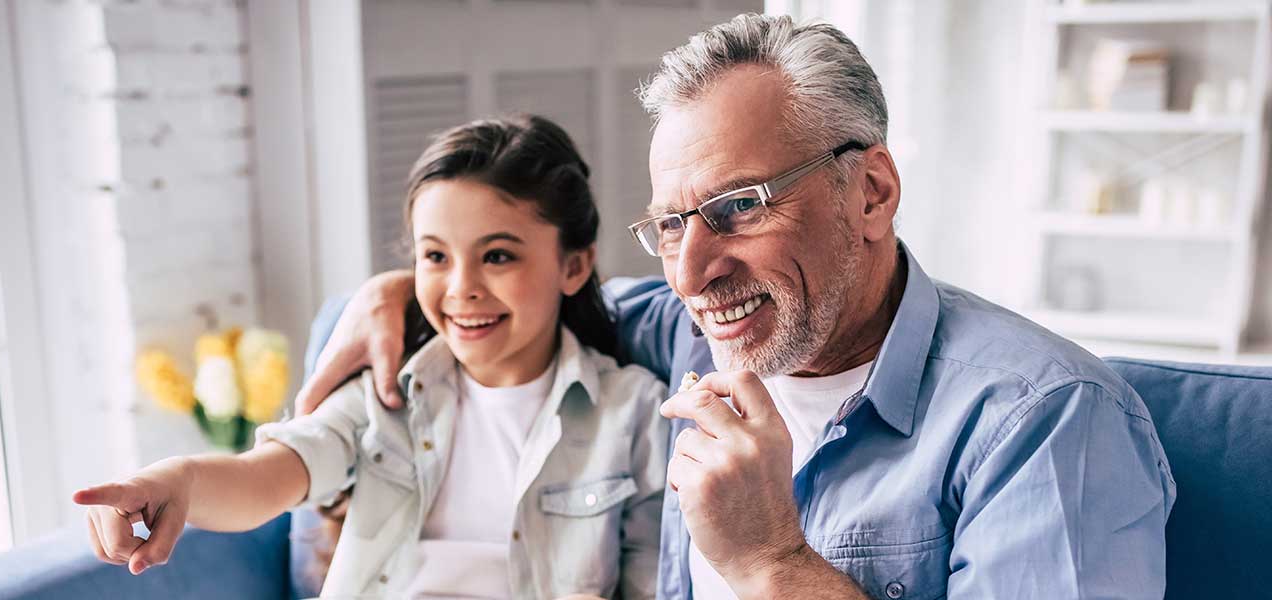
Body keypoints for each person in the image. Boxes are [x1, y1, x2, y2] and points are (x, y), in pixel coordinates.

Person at [297, 14, 1177, 599]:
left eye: (740, 207)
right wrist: (396, 296)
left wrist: (772, 562)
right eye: (671, 225)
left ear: (870, 191)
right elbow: (515, 295)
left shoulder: (1046, 422)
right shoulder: (676, 332)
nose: (691, 273)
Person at [76, 115, 670, 599]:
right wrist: (173, 481)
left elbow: (655, 584)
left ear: (573, 265)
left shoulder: (636, 412)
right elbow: (266, 478)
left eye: (497, 257)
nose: (461, 288)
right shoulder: (384, 395)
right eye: (435, 257)